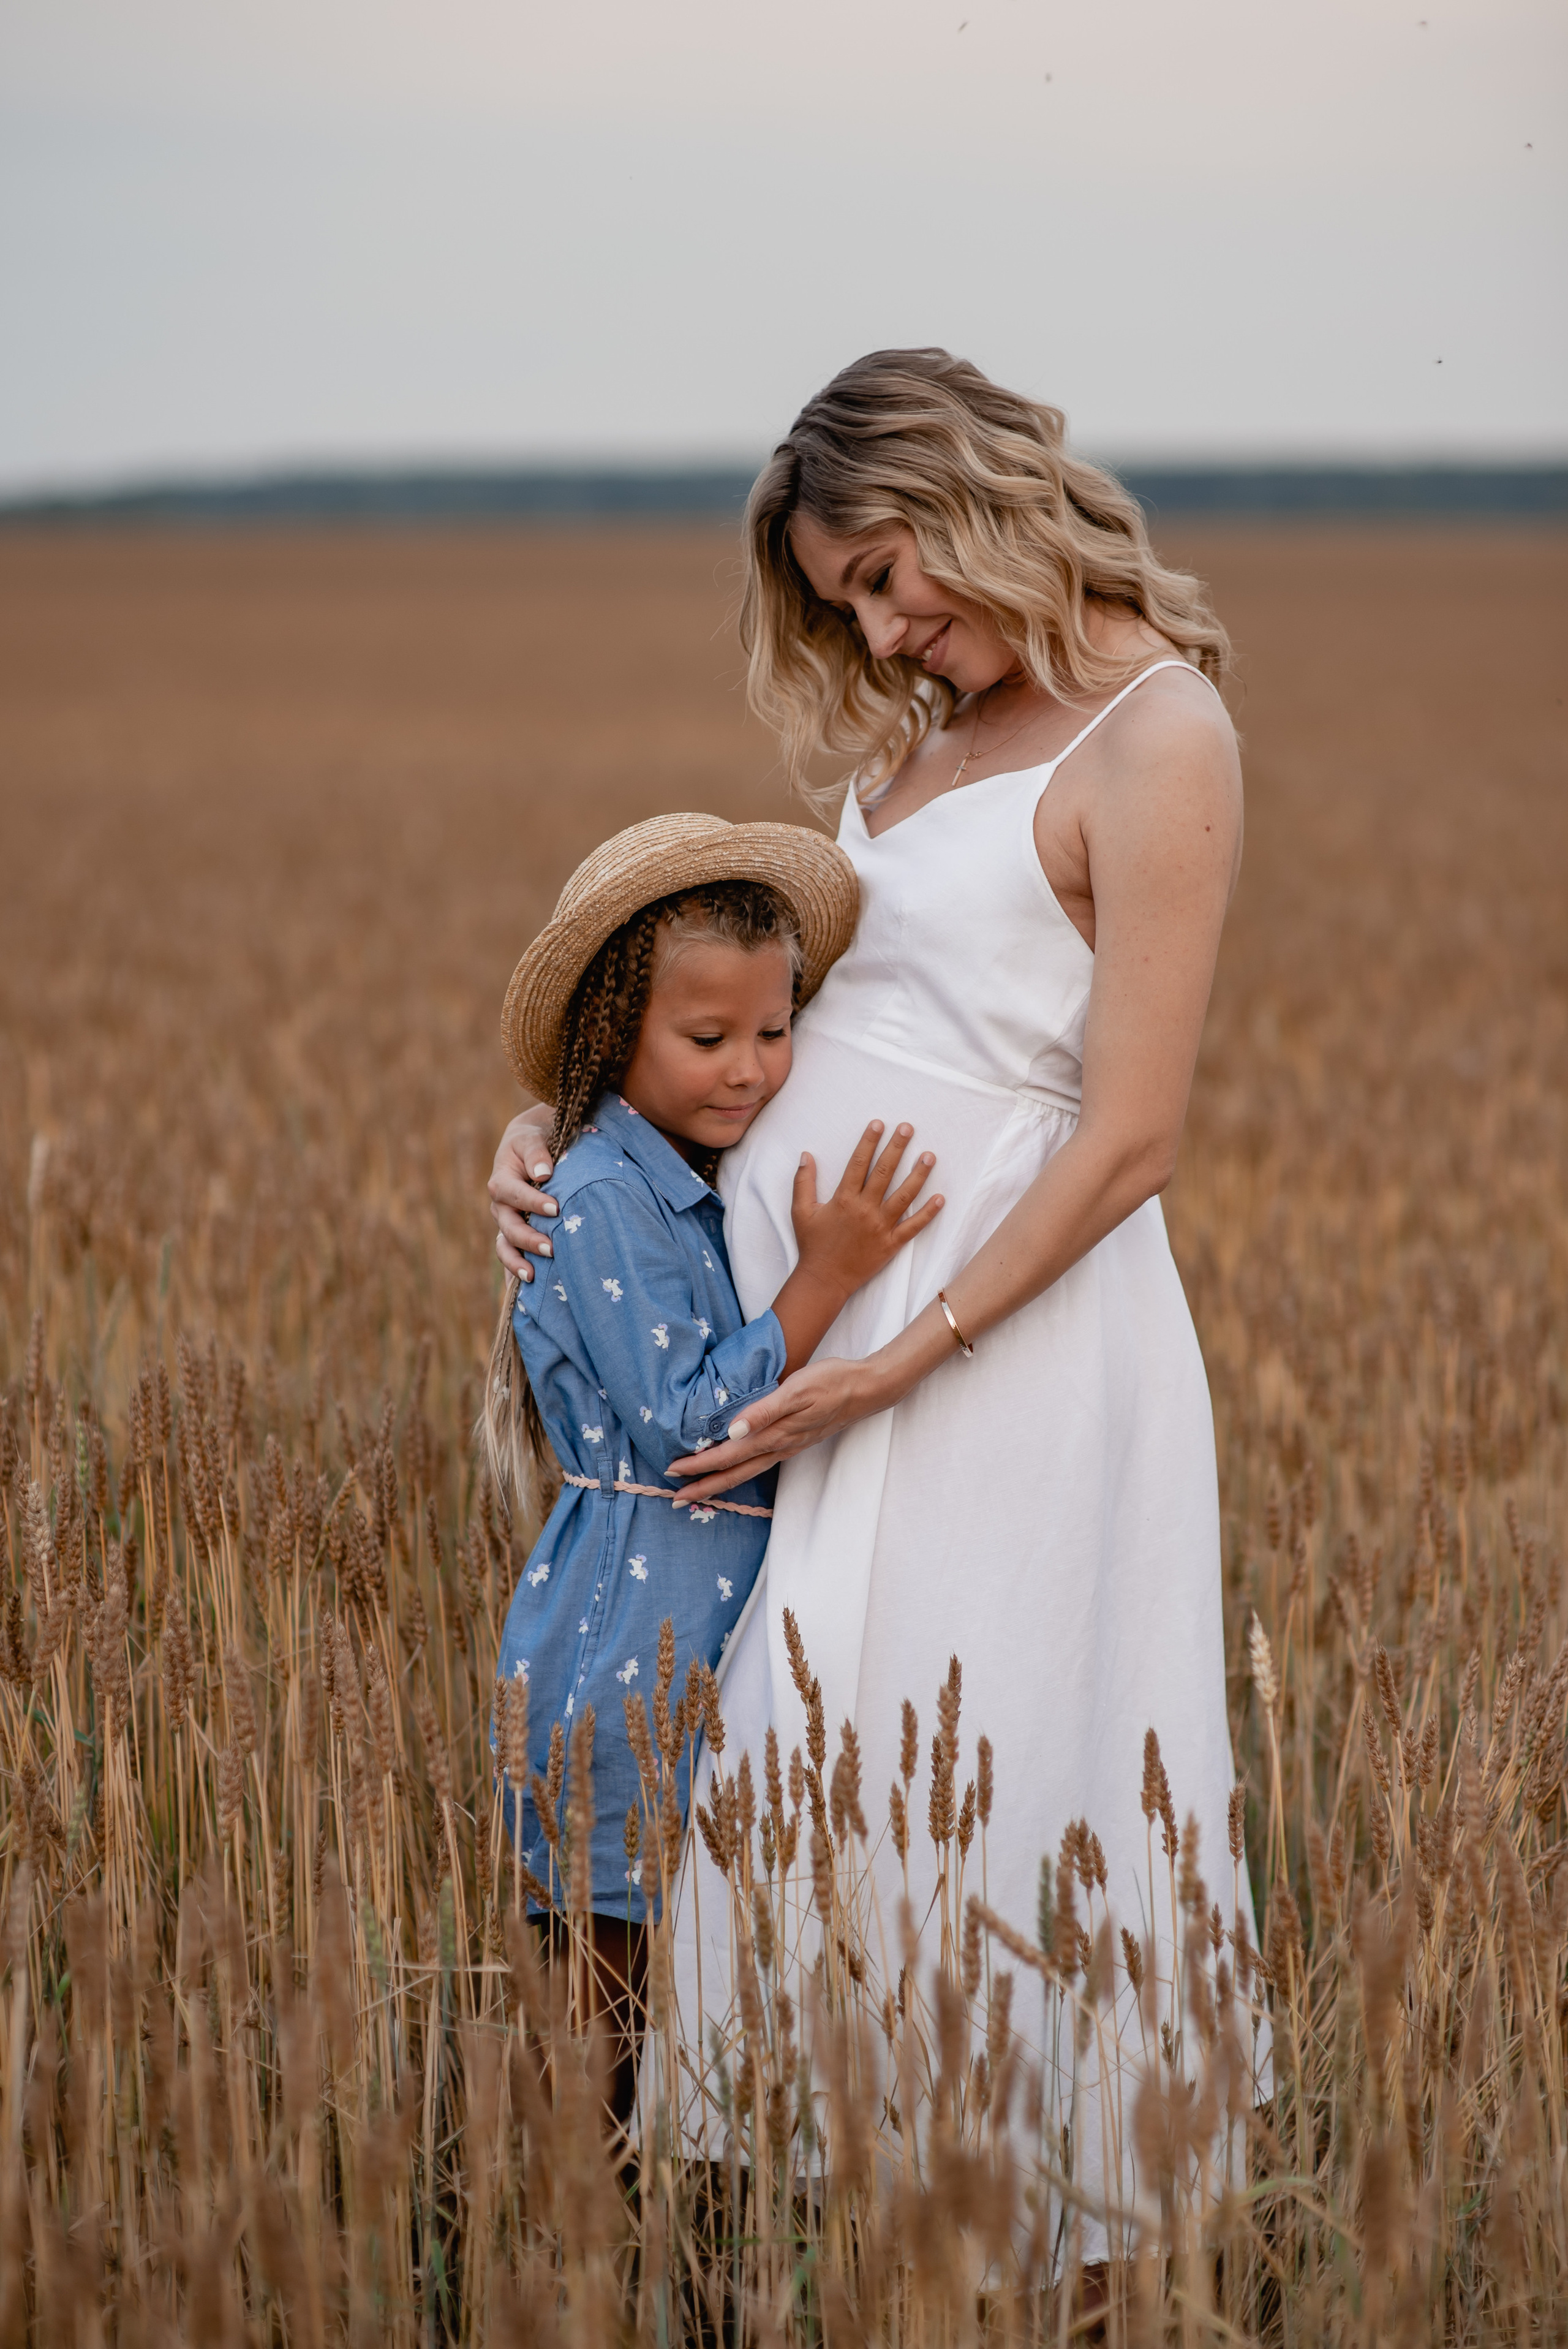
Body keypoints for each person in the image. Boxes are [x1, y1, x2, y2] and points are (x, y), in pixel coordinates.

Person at [490, 352, 1260, 2173]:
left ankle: (1000, 2200)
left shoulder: (1161, 737)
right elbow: (769, 1020)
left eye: (893, 571)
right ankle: (815, 2188)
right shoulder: (916, 748)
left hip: (1000, 1351)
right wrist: (555, 1142)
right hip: (814, 1353)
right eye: (852, 601)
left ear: (985, 489)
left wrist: (913, 1351)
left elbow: (1133, 1132)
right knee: (796, 1774)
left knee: (975, 1755)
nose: (890, 627)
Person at [484, 810, 942, 2124]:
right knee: (606, 1964)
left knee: (686, 1954)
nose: (749, 1070)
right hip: (629, 1613)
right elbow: (688, 1430)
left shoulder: (686, 1167)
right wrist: (828, 1280)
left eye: (771, 1030)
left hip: (697, 1627)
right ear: (611, 1035)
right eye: (706, 1041)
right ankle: (578, 2225)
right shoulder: (600, 1196)